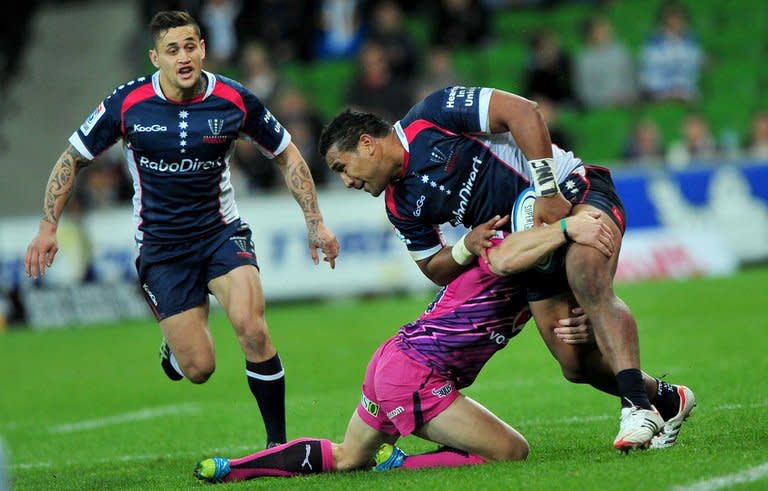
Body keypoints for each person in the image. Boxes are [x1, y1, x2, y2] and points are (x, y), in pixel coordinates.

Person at [23, 10, 340, 448]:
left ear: (203, 50)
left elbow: (285, 153)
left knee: (251, 326)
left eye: (190, 46)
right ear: (156, 58)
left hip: (220, 233)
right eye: (172, 50)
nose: (184, 57)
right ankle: (175, 351)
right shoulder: (127, 103)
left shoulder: (234, 99)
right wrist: (47, 227)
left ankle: (277, 445)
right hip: (162, 248)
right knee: (200, 368)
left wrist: (315, 222)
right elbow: (72, 158)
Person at [318, 86, 695, 452]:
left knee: (586, 274)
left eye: (342, 167)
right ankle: (666, 400)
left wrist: (547, 190)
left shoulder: (432, 116)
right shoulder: (399, 206)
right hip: (532, 248)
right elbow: (433, 265)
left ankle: (636, 408)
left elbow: (523, 111)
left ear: (367, 144)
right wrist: (466, 246)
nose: (346, 181)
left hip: (570, 192)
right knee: (574, 362)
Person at [193, 228, 598, 483]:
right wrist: (567, 228)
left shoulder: (532, 270)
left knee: (349, 458)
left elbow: (561, 317)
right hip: (418, 375)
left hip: (394, 360)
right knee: (512, 452)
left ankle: (233, 468)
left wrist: (581, 323)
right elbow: (510, 258)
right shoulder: (505, 253)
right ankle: (399, 466)